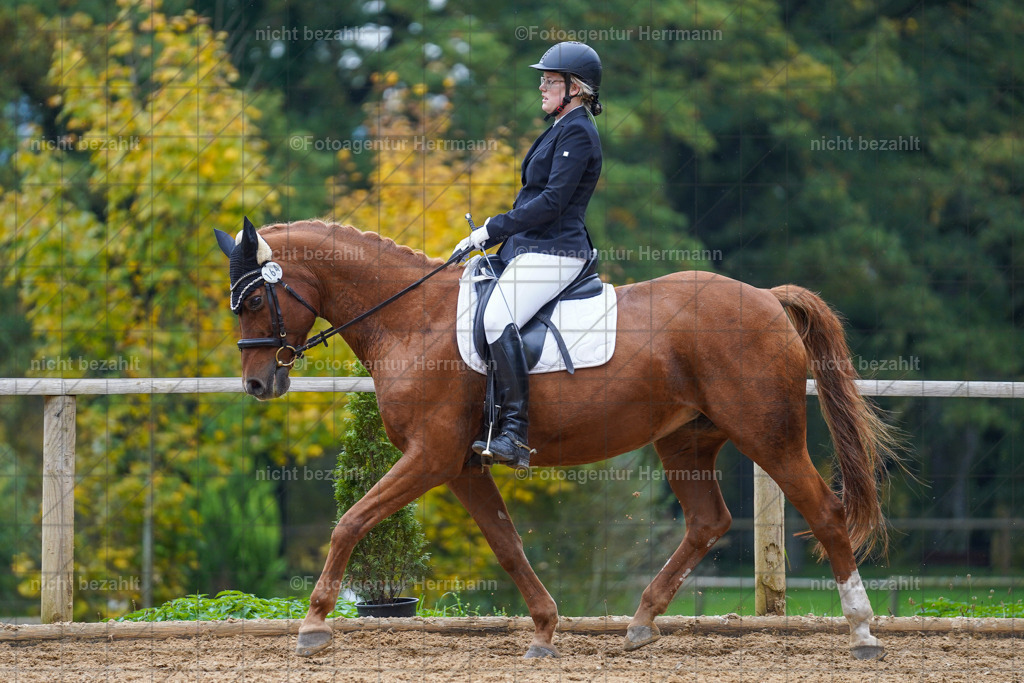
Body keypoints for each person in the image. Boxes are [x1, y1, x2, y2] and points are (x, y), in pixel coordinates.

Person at [454, 41, 603, 470]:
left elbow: (553, 202)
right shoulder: (560, 126)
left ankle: (515, 433)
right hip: (529, 248)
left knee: (498, 318)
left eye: (550, 80)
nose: (541, 85)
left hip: (558, 250)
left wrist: (492, 227)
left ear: (575, 88)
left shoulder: (577, 131)